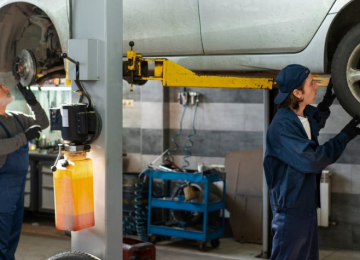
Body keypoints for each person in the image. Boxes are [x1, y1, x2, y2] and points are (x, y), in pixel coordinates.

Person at [263, 64, 360, 260]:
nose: (317, 86)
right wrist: (344, 136)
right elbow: (313, 160)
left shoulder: (301, 115)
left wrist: (325, 104)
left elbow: (313, 123)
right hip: (290, 209)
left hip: (305, 205)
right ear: (298, 93)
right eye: (311, 83)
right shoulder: (282, 126)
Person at [0, 82, 49, 260]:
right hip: (3, 186)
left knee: (13, 233)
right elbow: (2, 146)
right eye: (1, 87)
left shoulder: (17, 117)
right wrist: (25, 137)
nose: (7, 89)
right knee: (2, 235)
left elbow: (43, 123)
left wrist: (33, 101)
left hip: (18, 184)